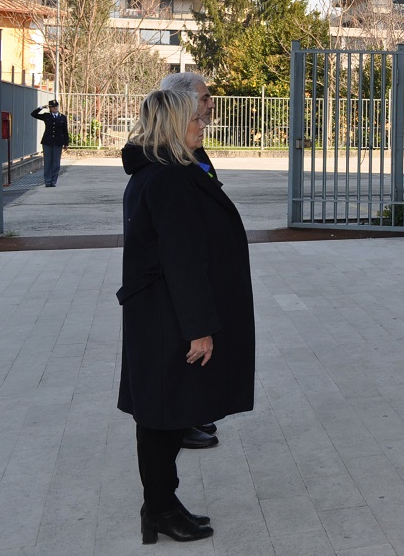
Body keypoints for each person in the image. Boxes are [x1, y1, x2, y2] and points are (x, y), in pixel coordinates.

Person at [117, 89, 255, 543]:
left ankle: (160, 504)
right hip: (168, 317)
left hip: (161, 311)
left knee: (167, 412)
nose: (203, 126)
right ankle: (158, 508)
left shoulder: (163, 171)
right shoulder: (169, 180)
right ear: (174, 126)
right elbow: (182, 258)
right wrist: (199, 329)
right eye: (196, 120)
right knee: (163, 417)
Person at [159, 72, 223, 449]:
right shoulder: (167, 159)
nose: (210, 106)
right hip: (176, 284)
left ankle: (193, 412)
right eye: (204, 100)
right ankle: (180, 421)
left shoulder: (193, 147)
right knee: (185, 347)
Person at [31, 100, 70, 187]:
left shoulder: (62, 117)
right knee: (48, 162)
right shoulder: (46, 116)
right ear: (50, 108)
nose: (55, 108)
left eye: (56, 106)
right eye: (53, 107)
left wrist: (66, 143)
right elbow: (33, 114)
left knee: (56, 163)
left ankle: (53, 181)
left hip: (58, 142)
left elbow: (65, 131)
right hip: (47, 141)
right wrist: (41, 107)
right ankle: (47, 181)